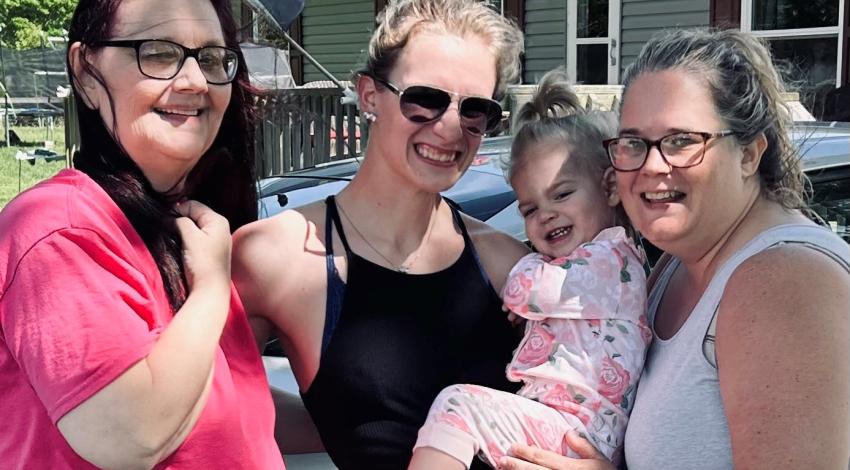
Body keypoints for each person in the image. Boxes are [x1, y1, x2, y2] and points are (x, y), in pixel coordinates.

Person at [499, 29, 850, 470]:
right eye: (633, 143)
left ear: (749, 154)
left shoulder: (787, 281)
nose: (651, 166)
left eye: (682, 141)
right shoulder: (674, 267)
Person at [232, 0, 527, 468]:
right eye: (425, 98)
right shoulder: (272, 257)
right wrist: (337, 421)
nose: (450, 127)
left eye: (475, 110)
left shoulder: (509, 266)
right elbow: (212, 404)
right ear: (369, 95)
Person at [0, 0, 284, 468]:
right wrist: (212, 288)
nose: (195, 80)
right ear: (86, 73)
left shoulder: (179, 227)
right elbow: (131, 433)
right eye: (157, 53)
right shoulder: (57, 232)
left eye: (212, 59)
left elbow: (229, 413)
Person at [408, 70, 650, 470]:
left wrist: (529, 278)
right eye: (530, 209)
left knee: (457, 406)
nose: (547, 215)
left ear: (609, 187)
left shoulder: (613, 261)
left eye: (562, 193)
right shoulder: (593, 264)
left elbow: (524, 287)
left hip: (577, 431)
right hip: (570, 427)